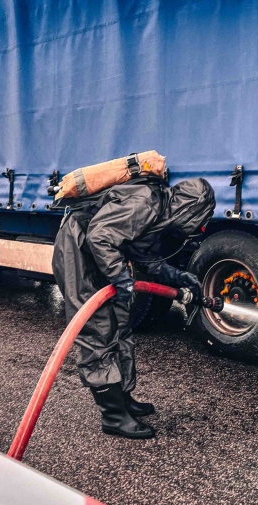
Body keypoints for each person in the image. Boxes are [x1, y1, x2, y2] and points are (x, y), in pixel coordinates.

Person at [52, 177, 215, 439]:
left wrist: (177, 277)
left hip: (100, 254)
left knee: (121, 325)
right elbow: (100, 238)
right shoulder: (145, 203)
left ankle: (124, 398)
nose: (198, 227)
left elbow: (142, 254)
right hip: (78, 253)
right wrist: (121, 278)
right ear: (190, 209)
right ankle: (114, 416)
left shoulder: (159, 213)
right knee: (98, 330)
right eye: (200, 218)